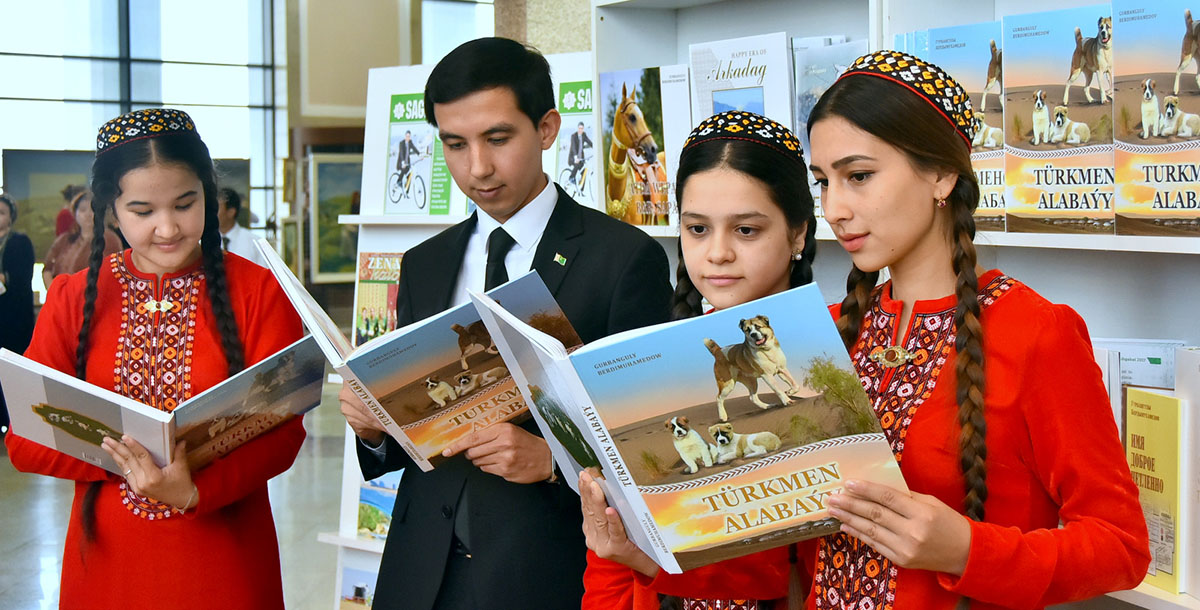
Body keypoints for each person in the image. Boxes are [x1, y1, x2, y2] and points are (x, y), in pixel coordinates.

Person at [584, 50, 1153, 610]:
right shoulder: (822, 333)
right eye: (824, 182)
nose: (836, 208)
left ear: (941, 174)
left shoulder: (1036, 331)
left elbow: (1121, 549)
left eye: (858, 176)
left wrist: (965, 550)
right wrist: (640, 551)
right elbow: (766, 568)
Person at [337, 37, 673, 610]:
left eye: (498, 139)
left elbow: (654, 449)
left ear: (546, 129)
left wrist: (552, 464)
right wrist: (373, 428)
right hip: (420, 570)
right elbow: (416, 441)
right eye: (455, 145)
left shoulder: (623, 259)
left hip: (542, 568)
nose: (478, 168)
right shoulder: (425, 263)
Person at [5, 108, 307, 610]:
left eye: (185, 204)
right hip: (107, 563)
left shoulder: (259, 292)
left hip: (226, 561)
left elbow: (284, 434)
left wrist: (192, 490)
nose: (167, 228)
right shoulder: (71, 297)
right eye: (143, 211)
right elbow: (24, 439)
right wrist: (125, 460)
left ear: (209, 196)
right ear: (112, 210)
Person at [579, 111, 818, 610]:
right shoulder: (647, 360)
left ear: (797, 234)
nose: (717, 253)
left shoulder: (836, 347)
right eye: (697, 229)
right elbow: (608, 577)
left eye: (746, 230)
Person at [0, 191, 35, 437]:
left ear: (10, 216)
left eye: (2, 212)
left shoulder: (19, 242)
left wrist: (5, 278)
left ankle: (15, 425)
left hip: (13, 318)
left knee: (11, 370)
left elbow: (23, 278)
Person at [43, 189, 124, 286]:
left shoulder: (110, 239)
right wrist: (55, 294)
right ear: (75, 213)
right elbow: (47, 269)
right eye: (82, 210)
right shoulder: (64, 239)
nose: (88, 214)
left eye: (93, 209)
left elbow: (114, 274)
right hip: (62, 298)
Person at [216, 187, 266, 267]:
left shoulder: (254, 243)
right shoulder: (206, 242)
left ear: (231, 212)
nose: (211, 213)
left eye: (216, 208)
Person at [568, 121, 593, 185]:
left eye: (582, 128)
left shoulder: (584, 135)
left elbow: (589, 142)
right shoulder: (573, 136)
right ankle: (571, 177)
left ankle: (581, 190)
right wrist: (575, 156)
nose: (580, 130)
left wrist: (595, 147)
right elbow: (573, 147)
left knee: (584, 171)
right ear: (577, 128)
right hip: (573, 157)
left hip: (581, 158)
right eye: (579, 128)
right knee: (577, 164)